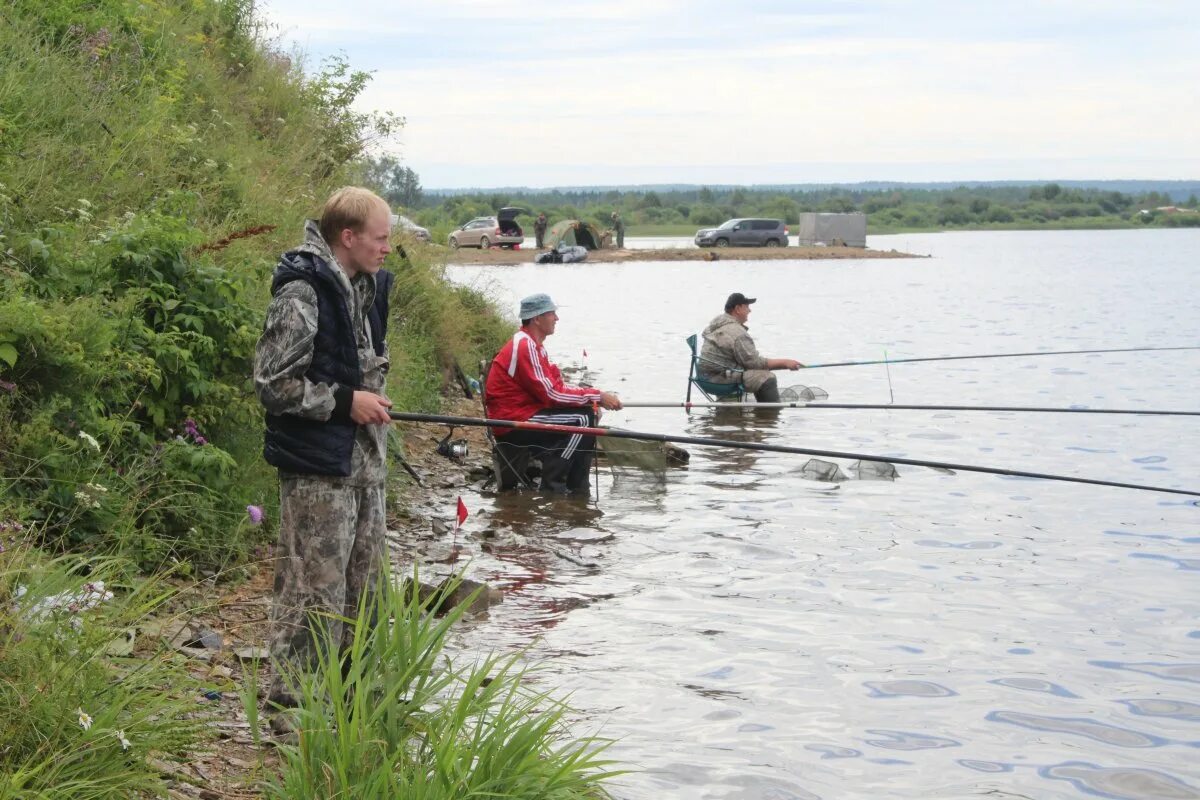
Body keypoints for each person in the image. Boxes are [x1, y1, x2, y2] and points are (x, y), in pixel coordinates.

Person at [253, 186, 396, 725]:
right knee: (313, 593)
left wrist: (369, 400)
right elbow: (272, 383)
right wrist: (344, 403)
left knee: (366, 590)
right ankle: (290, 713)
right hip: (317, 470)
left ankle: (352, 706)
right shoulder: (301, 294)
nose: (387, 248)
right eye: (380, 239)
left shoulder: (369, 286)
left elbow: (358, 366)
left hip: (365, 467)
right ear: (349, 236)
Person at [484, 293, 622, 494]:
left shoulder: (535, 346)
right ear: (537, 319)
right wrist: (597, 396)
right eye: (552, 314)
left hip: (526, 411)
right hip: (511, 420)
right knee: (583, 419)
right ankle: (554, 486)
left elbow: (555, 388)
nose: (556, 319)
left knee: (588, 414)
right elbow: (552, 395)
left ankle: (579, 488)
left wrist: (590, 399)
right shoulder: (525, 345)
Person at [699, 292, 803, 402]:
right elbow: (755, 363)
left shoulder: (715, 326)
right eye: (747, 307)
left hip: (703, 377)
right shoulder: (736, 332)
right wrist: (786, 363)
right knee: (767, 378)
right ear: (738, 309)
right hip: (718, 380)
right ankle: (769, 416)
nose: (749, 310)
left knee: (748, 371)